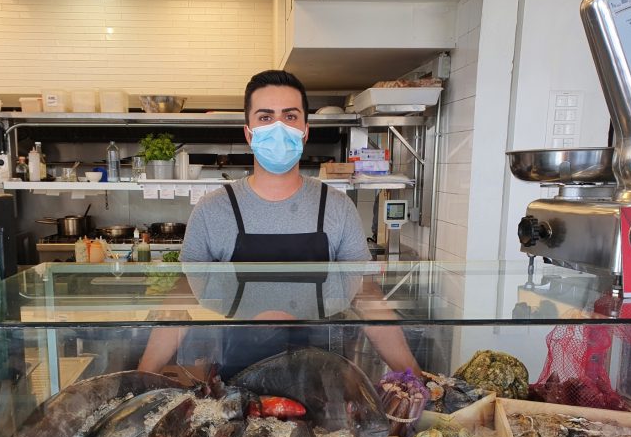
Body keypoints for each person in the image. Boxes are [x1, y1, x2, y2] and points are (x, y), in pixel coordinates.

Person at [139, 69, 420, 377]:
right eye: (265, 117)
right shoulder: (213, 210)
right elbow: (182, 297)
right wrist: (142, 376)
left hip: (320, 378)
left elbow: (366, 296)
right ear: (248, 133)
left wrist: (413, 375)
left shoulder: (338, 207)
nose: (278, 127)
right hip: (237, 380)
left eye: (289, 116)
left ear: (305, 130)